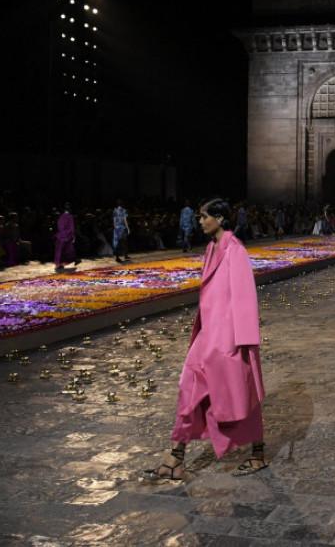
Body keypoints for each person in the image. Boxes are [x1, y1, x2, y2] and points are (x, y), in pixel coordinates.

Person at [142, 198, 267, 481]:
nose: (199, 222)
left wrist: (244, 343)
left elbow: (245, 297)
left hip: (229, 340)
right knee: (190, 388)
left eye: (204, 217)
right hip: (208, 336)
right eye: (199, 217)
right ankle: (176, 458)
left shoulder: (235, 250)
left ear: (220, 219)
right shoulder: (212, 248)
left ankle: (258, 453)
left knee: (240, 395)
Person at [54, 203, 79, 273]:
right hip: (67, 235)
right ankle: (64, 263)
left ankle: (58, 264)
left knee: (60, 250)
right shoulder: (70, 217)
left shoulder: (61, 217)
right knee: (68, 250)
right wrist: (73, 236)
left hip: (60, 235)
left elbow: (58, 226)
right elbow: (72, 227)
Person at [113, 199, 131, 263]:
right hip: (122, 228)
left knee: (119, 242)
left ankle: (119, 257)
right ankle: (123, 256)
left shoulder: (115, 211)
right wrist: (128, 228)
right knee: (123, 242)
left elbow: (114, 221)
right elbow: (125, 221)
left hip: (118, 229)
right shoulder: (123, 211)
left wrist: (115, 228)